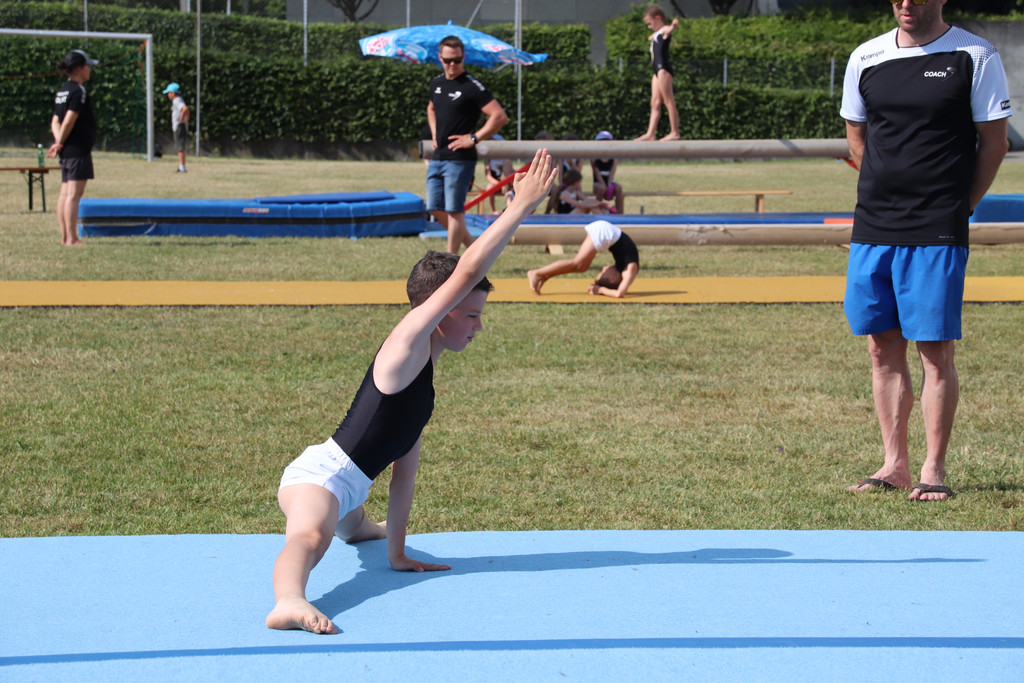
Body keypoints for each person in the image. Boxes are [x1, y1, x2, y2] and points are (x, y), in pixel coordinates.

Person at [266, 149, 556, 635]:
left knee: (353, 526)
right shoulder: (403, 348)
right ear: (438, 313)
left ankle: (362, 529)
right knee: (312, 535)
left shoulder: (422, 388)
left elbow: (404, 474)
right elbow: (466, 272)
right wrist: (518, 208)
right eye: (471, 315)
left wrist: (396, 552)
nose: (479, 327)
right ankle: (288, 599)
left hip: (351, 490)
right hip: (320, 478)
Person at [840, 0, 1011, 502]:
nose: (906, 3)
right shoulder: (865, 56)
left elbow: (995, 144)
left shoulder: (975, 55)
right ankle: (894, 464)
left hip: (937, 227)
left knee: (934, 350)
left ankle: (933, 469)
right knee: (881, 346)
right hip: (874, 224)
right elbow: (857, 136)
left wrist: (960, 207)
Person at [426, 35, 509, 254]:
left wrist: (473, 138)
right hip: (439, 155)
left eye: (457, 60)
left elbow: (499, 116)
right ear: (440, 58)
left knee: (455, 211)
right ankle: (474, 250)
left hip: (460, 159)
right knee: (434, 207)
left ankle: (452, 261)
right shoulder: (436, 83)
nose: (452, 64)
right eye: (447, 60)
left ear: (464, 57)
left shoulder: (472, 86)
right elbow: (431, 108)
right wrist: (435, 134)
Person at [48, 49, 98, 247]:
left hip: (67, 150)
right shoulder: (78, 91)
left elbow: (55, 121)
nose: (89, 70)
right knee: (73, 196)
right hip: (77, 149)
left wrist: (59, 141)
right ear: (78, 68)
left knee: (65, 194)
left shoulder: (63, 90)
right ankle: (72, 239)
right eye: (87, 66)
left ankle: (64, 238)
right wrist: (60, 142)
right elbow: (69, 120)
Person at [527, 219, 639, 299]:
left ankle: (545, 275)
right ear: (613, 279)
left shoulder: (623, 269)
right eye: (603, 273)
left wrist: (600, 289)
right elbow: (619, 293)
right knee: (578, 264)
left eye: (602, 273)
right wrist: (599, 289)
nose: (604, 268)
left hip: (605, 233)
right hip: (605, 232)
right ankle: (536, 273)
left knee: (582, 267)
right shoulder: (630, 270)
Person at [634, 5, 680, 142]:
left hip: (663, 69)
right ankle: (650, 133)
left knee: (668, 100)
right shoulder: (657, 33)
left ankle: (675, 132)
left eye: (650, 23)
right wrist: (653, 35)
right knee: (655, 102)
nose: (649, 27)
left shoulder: (664, 29)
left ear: (658, 18)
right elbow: (652, 37)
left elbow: (669, 30)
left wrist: (673, 25)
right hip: (656, 70)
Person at [591, 131, 625, 214]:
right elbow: (597, 173)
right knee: (601, 188)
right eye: (603, 141)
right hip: (598, 182)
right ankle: (597, 211)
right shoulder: (594, 157)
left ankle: (619, 213)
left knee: (619, 187)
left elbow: (612, 173)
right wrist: (604, 185)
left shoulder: (613, 157)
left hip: (608, 180)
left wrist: (610, 185)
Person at [162, 83, 190, 173]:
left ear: (173, 93)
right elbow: (187, 111)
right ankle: (182, 166)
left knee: (179, 147)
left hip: (179, 126)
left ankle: (182, 167)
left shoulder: (177, 100)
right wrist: (186, 119)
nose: (168, 95)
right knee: (180, 146)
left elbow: (185, 109)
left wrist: (181, 119)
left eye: (169, 93)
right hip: (180, 126)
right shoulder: (179, 100)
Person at [482, 133, 514, 213]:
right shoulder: (488, 159)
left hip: (507, 182)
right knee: (489, 187)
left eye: (494, 144)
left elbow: (507, 176)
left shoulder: (505, 159)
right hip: (497, 183)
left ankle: (509, 210)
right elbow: (488, 176)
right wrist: (497, 184)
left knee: (507, 191)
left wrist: (503, 184)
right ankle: (493, 211)